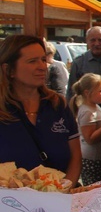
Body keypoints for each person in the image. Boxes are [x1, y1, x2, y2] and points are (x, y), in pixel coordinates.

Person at [0, 35, 81, 183]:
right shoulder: (3, 111)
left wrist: (63, 190)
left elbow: (76, 157)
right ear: (9, 70)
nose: (42, 66)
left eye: (43, 60)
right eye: (32, 61)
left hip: (60, 200)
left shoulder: (58, 105)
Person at [69, 73, 101, 185]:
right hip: (91, 159)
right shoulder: (87, 112)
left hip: (97, 157)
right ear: (87, 92)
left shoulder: (94, 107)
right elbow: (90, 139)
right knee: (93, 188)